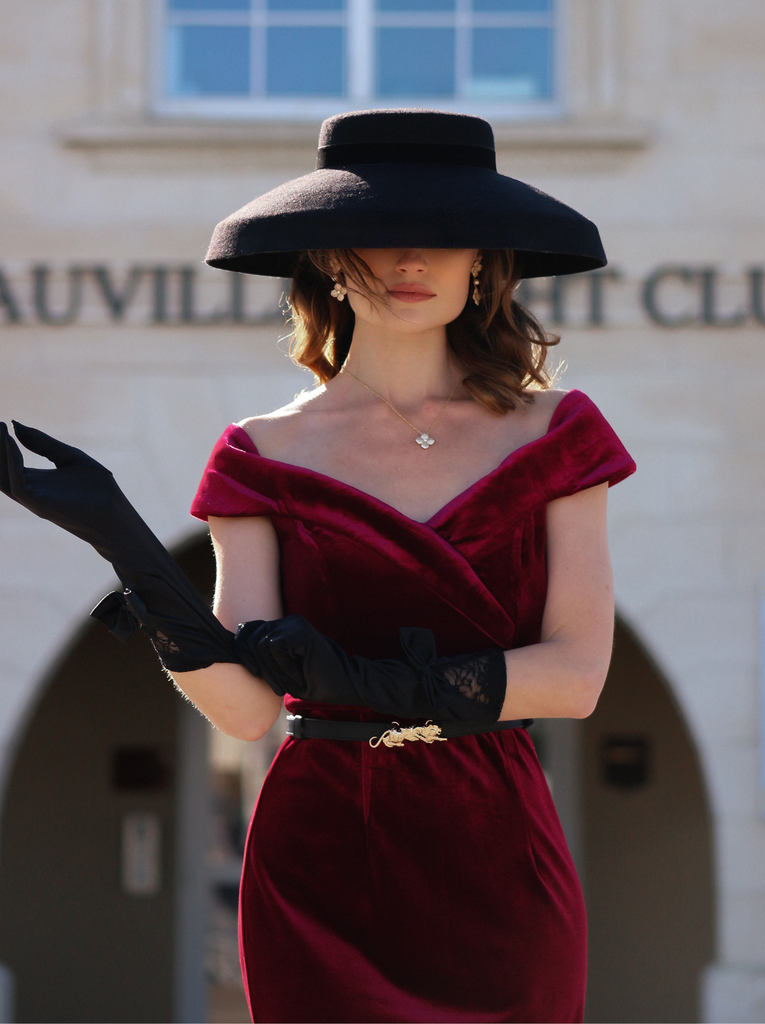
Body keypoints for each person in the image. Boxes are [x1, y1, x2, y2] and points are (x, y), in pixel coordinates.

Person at [0, 109, 635, 1023]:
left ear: (484, 263)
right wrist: (129, 550)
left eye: (445, 236)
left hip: (495, 848)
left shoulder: (560, 437)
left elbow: (576, 677)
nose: (411, 261)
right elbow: (250, 707)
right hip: (320, 854)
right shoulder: (260, 454)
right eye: (378, 235)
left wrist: (363, 679)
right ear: (331, 259)